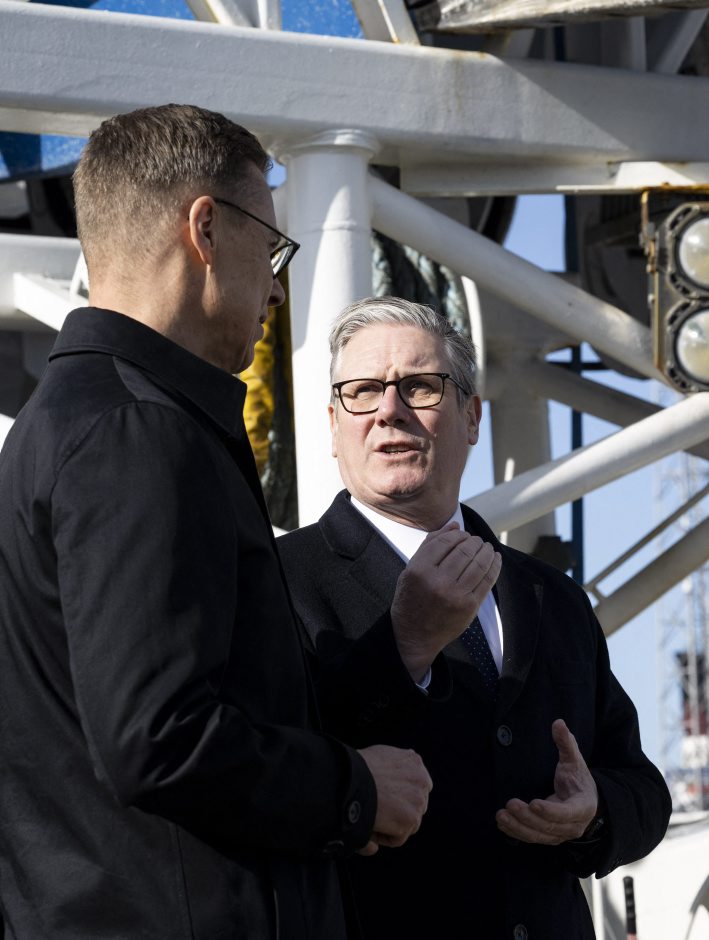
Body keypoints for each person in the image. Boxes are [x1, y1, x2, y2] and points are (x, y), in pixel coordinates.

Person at [0, 107, 434, 940]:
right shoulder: (138, 432)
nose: (276, 286)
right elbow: (158, 738)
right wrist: (353, 791)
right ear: (205, 229)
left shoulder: (58, 425)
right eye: (269, 248)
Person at [278, 296, 672, 940]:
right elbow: (262, 776)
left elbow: (645, 790)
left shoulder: (552, 597)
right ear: (332, 423)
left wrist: (594, 811)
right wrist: (403, 647)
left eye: (420, 386)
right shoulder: (275, 580)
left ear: (471, 417)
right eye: (363, 391)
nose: (389, 410)